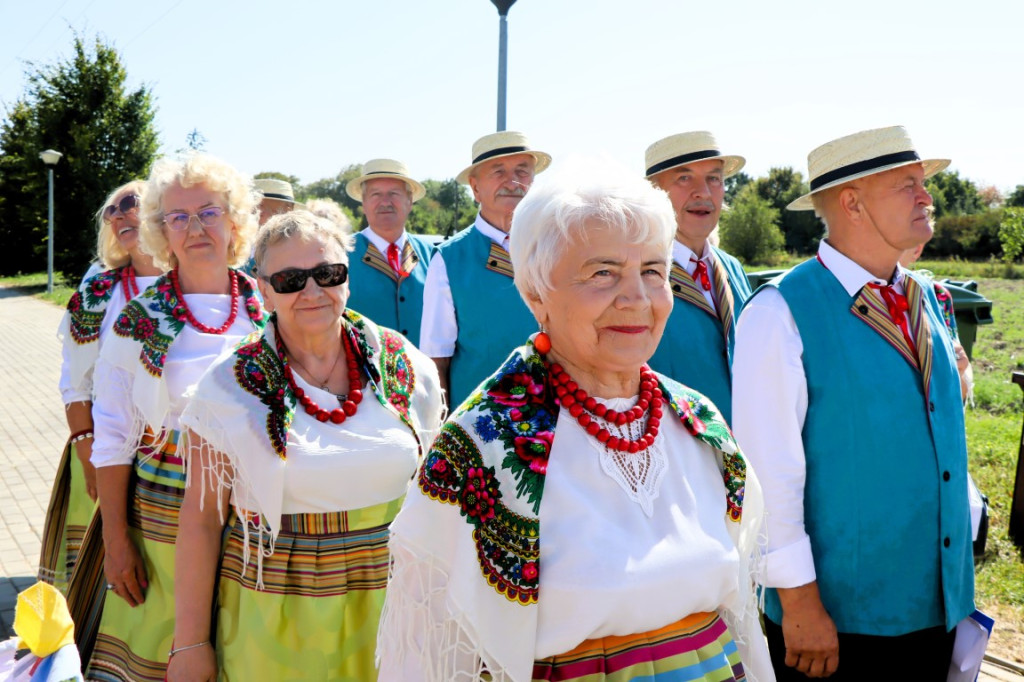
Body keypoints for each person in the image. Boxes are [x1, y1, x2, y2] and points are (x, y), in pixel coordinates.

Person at [378, 166, 772, 681]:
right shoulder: (482, 443)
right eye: (603, 272)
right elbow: (430, 651)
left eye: (654, 271)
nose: (637, 298)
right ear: (536, 293)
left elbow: (739, 615)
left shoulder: (698, 422)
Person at [732, 126, 974, 680]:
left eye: (923, 183)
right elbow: (769, 477)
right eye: (907, 184)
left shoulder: (921, 297)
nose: (927, 196)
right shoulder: (780, 312)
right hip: (840, 626)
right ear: (852, 202)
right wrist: (798, 604)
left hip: (936, 604)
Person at [167, 210, 444, 681]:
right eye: (292, 279)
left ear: (348, 280)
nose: (313, 291)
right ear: (264, 289)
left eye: (328, 274)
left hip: (396, 606)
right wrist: (190, 643)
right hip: (279, 611)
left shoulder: (406, 366)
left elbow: (438, 497)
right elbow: (200, 522)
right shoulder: (227, 390)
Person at [82, 154, 268, 681]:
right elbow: (114, 438)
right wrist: (116, 542)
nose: (194, 228)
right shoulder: (137, 321)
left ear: (234, 222)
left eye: (208, 212)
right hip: (164, 518)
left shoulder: (268, 304)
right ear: (160, 231)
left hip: (259, 520)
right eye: (177, 217)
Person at [41, 181, 163, 593]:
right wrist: (84, 446)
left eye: (129, 203)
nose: (117, 215)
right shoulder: (99, 289)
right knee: (108, 581)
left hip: (179, 463)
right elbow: (75, 380)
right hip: (102, 452)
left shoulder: (206, 284)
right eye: (110, 211)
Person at [420, 131, 551, 406]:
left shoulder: (559, 245)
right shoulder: (449, 258)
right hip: (481, 425)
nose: (512, 181)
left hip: (560, 413)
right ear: (475, 188)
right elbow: (436, 358)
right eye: (498, 171)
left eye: (522, 171)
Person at [644, 131, 752, 423]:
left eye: (714, 178)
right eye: (684, 178)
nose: (703, 192)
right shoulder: (634, 275)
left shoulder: (733, 269)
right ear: (653, 191)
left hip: (744, 455)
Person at [345, 159, 433, 345]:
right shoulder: (340, 254)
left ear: (409, 201)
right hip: (361, 372)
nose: (385, 202)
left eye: (394, 193)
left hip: (423, 372)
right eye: (376, 194)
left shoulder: (433, 255)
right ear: (364, 202)